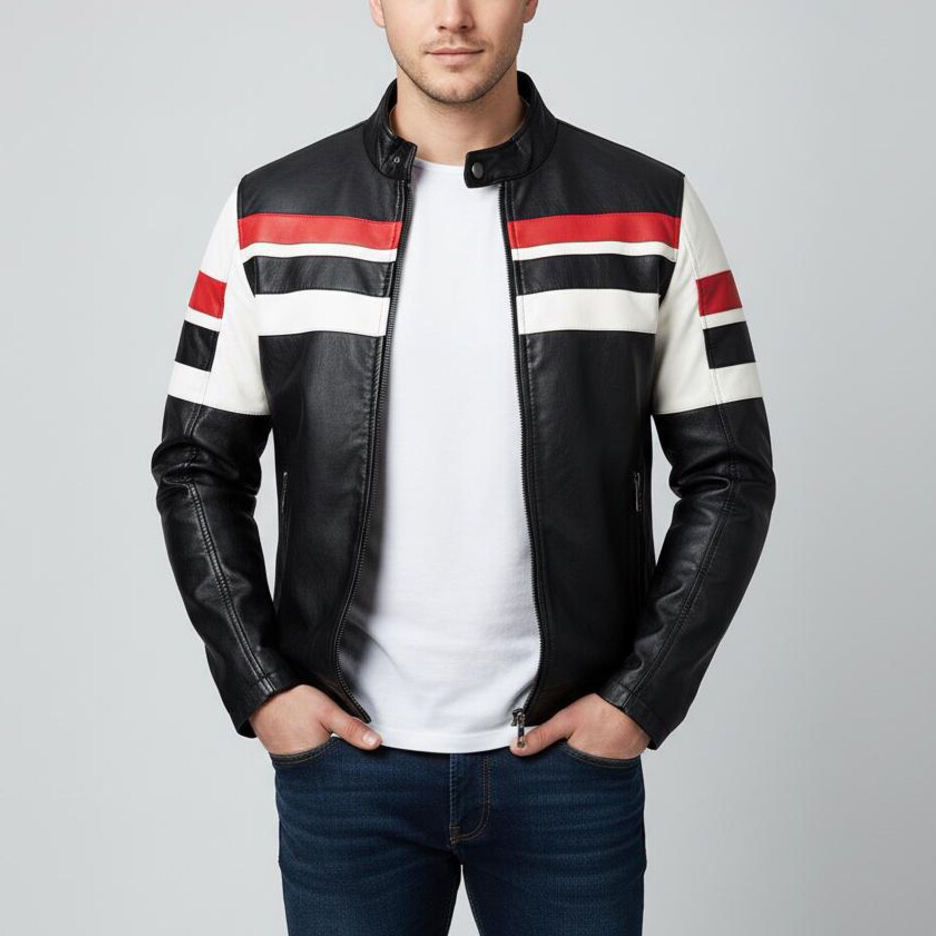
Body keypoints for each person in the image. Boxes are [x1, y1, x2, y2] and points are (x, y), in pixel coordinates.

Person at [150, 1, 776, 933]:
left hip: (568, 768)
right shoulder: (272, 215)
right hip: (348, 770)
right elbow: (197, 464)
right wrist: (263, 689)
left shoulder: (648, 211)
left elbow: (731, 472)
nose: (452, 15)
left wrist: (639, 700)